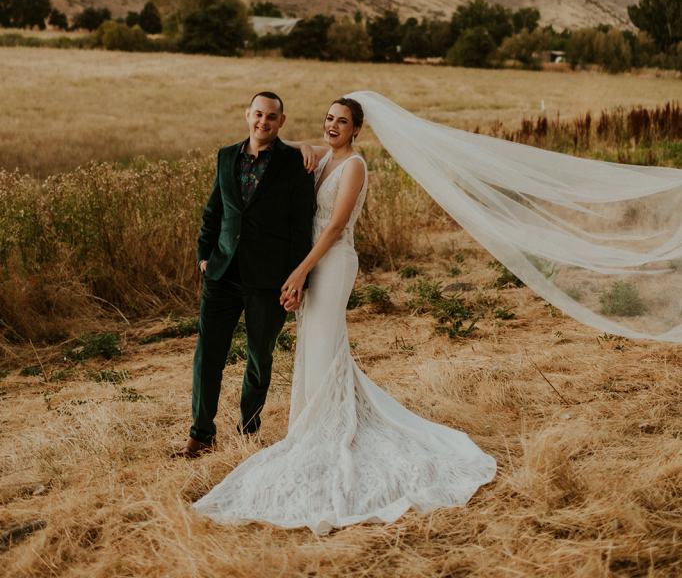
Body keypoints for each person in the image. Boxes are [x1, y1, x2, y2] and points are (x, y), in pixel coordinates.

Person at [192, 96, 496, 533]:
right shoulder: (319, 160)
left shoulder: (353, 166)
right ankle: (313, 423)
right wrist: (303, 145)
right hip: (311, 262)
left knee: (323, 343)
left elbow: (334, 227)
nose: (333, 126)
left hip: (331, 262)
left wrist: (298, 272)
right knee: (317, 347)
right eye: (329, 119)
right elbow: (277, 143)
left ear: (357, 130)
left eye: (343, 122)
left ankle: (324, 430)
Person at [174, 91, 314, 459]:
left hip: (269, 280)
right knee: (208, 356)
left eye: (271, 117)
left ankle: (248, 431)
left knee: (259, 356)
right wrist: (205, 256)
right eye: (257, 115)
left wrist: (299, 280)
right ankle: (200, 435)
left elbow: (302, 228)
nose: (263, 122)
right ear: (247, 115)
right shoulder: (225, 157)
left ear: (281, 122)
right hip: (222, 274)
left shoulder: (294, 163)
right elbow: (213, 212)